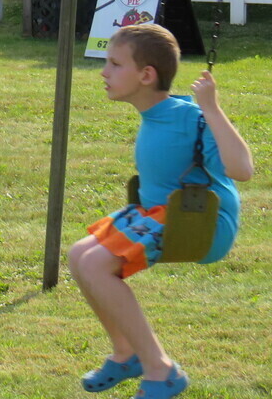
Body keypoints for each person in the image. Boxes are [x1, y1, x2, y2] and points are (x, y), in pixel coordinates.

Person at [68, 24, 253, 399]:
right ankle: (126, 354)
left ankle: (161, 369)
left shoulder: (191, 118)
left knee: (96, 265)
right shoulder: (156, 113)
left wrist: (212, 109)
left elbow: (242, 169)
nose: (105, 72)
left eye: (115, 64)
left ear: (146, 75)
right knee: (79, 255)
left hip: (198, 222)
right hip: (155, 212)